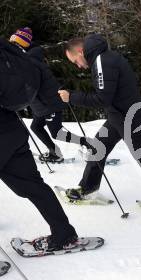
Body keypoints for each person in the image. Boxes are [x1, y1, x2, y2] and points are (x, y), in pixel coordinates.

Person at [58, 34, 141, 211]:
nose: (78, 65)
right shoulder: (106, 57)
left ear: (81, 51)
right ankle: (88, 187)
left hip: (128, 118)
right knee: (98, 147)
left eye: (75, 60)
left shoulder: (101, 61)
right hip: (118, 116)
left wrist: (72, 97)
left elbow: (102, 99)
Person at [0, 36, 78, 251]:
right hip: (12, 129)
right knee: (34, 186)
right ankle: (64, 234)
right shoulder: (9, 55)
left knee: (33, 186)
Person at [27, 46, 91, 163]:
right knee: (36, 127)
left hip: (49, 104)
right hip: (41, 105)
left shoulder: (31, 64)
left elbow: (32, 86)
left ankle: (86, 143)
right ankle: (55, 153)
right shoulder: (33, 62)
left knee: (57, 133)